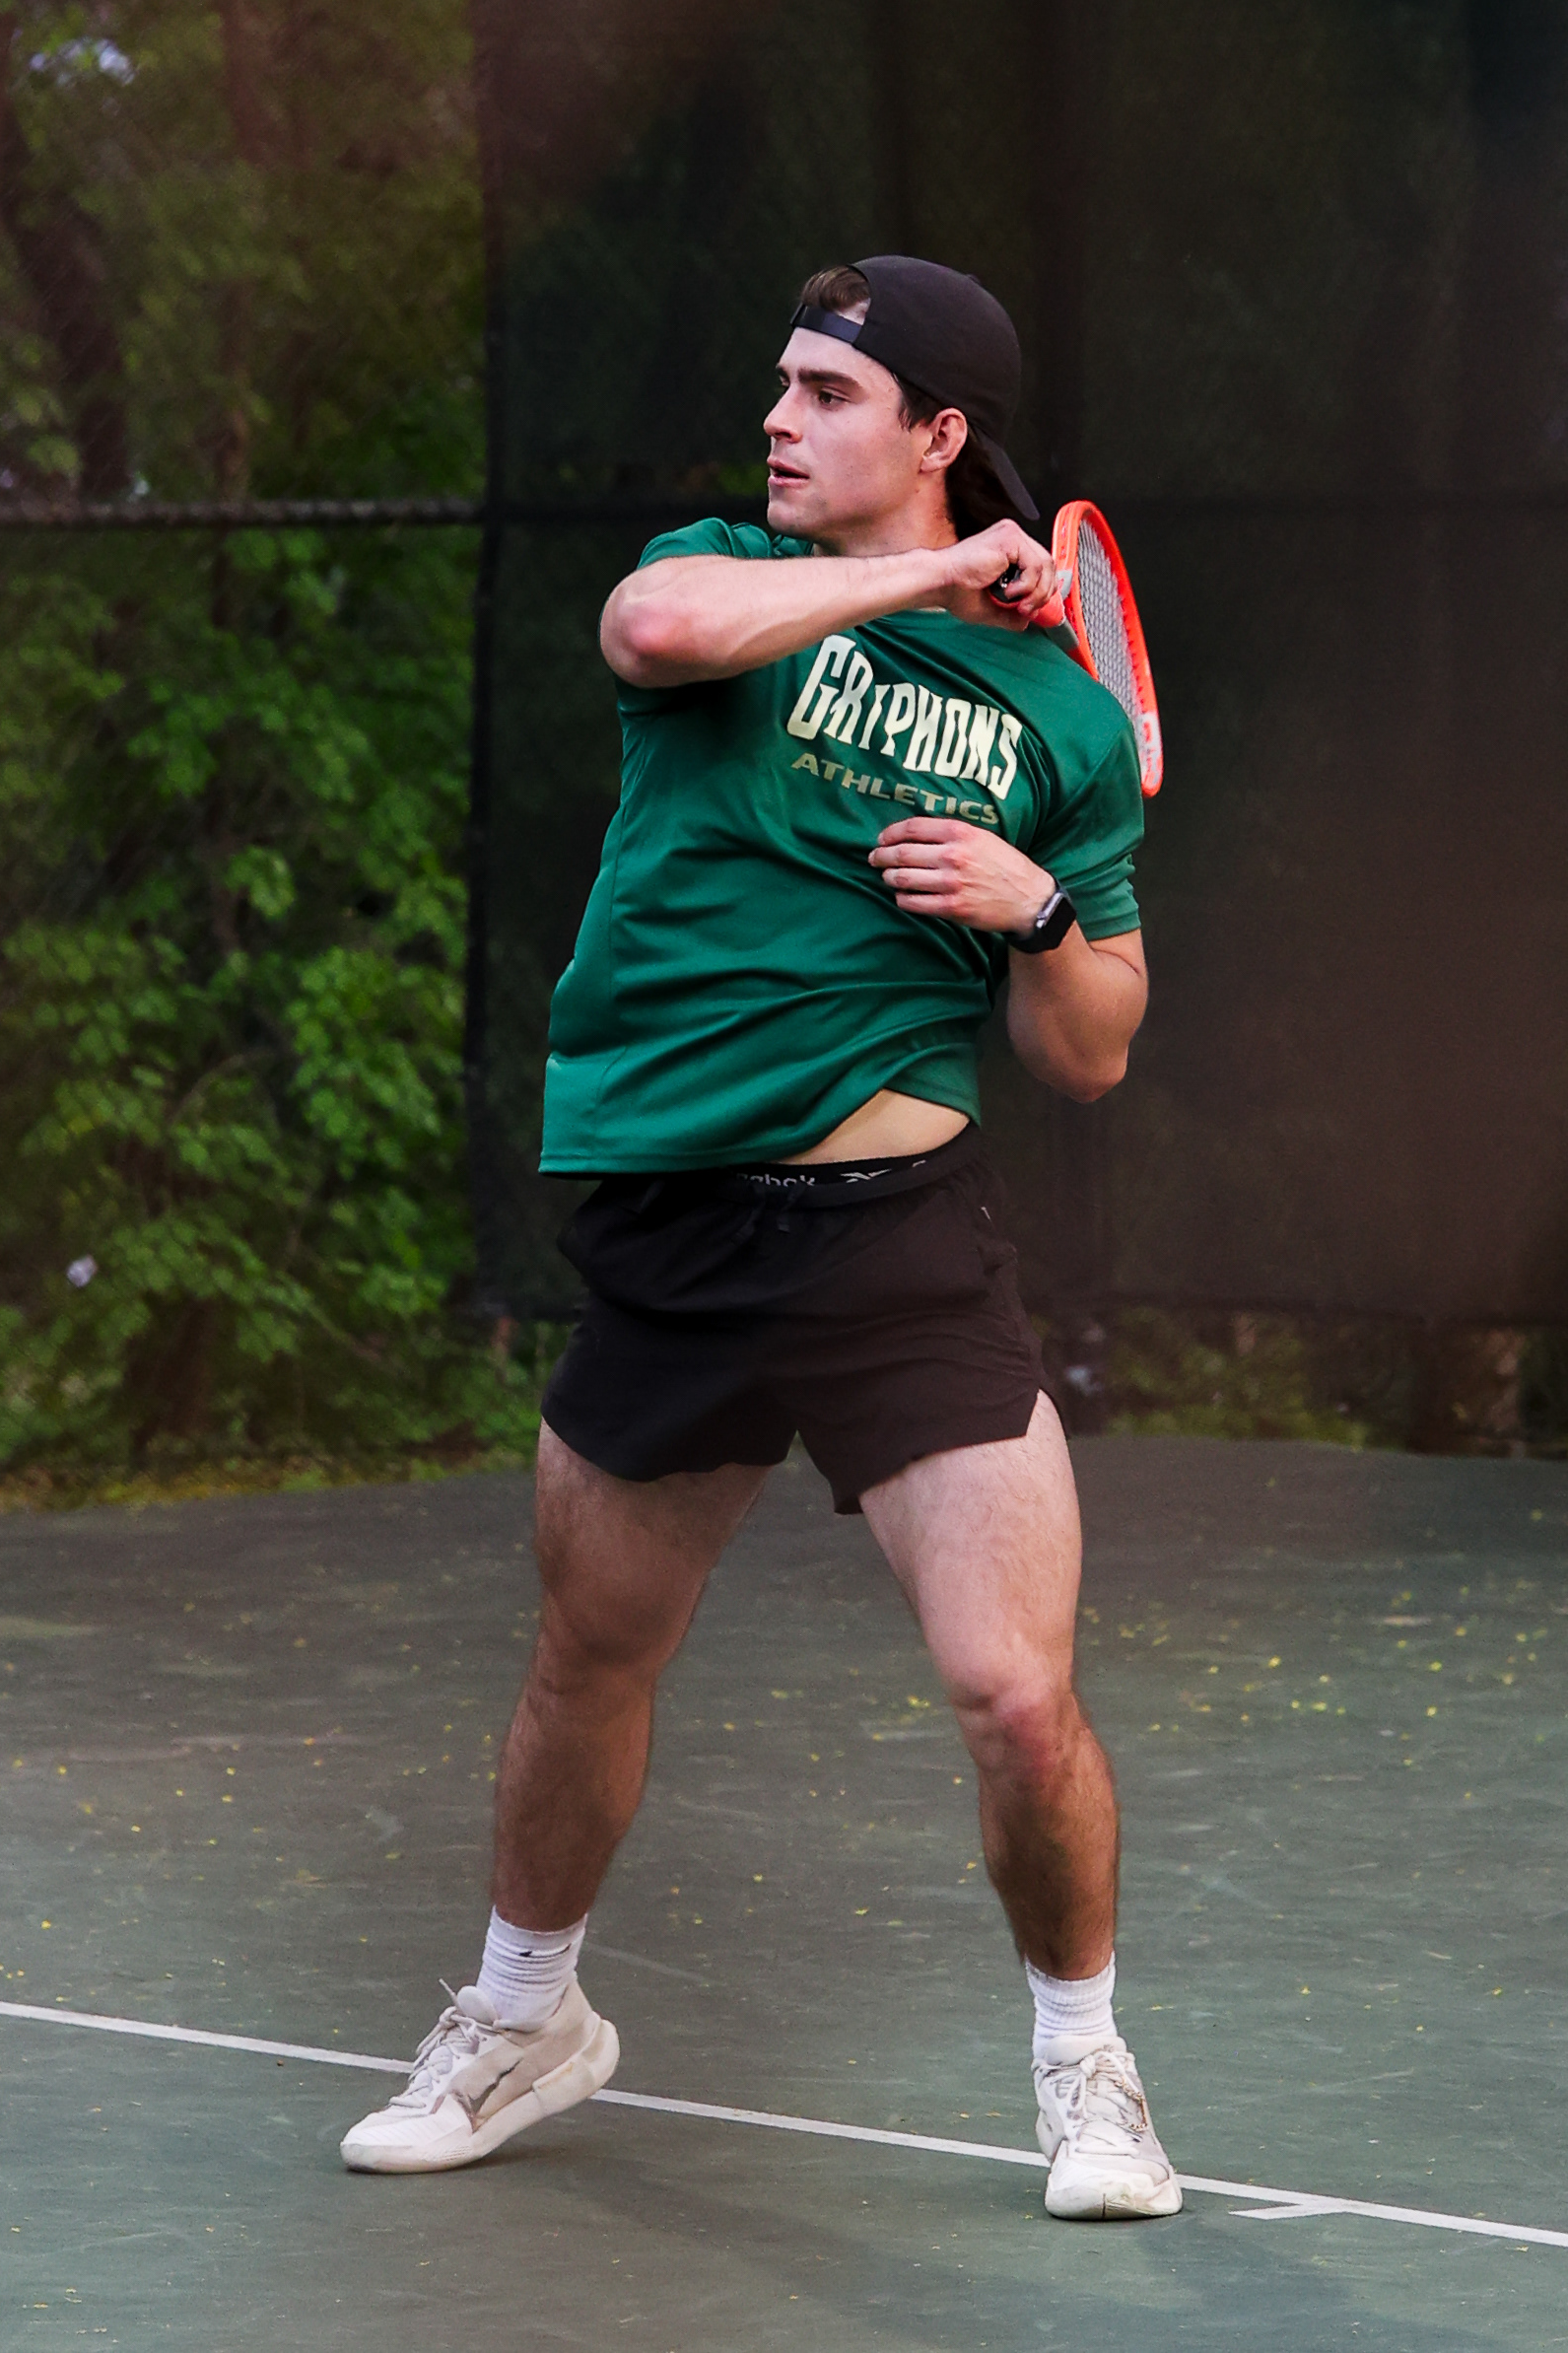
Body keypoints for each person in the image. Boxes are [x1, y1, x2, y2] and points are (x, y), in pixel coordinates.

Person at [343, 256, 1180, 2221]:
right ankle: (521, 2016)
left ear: (937, 430)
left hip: (899, 1244)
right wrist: (933, 574)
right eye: (781, 386)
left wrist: (1034, 907)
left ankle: (1088, 2073)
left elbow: (1095, 1048)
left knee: (1015, 1697)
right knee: (588, 1661)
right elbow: (656, 626)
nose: (782, 421)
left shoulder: (1055, 716)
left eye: (827, 393)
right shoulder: (726, 574)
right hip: (675, 1236)